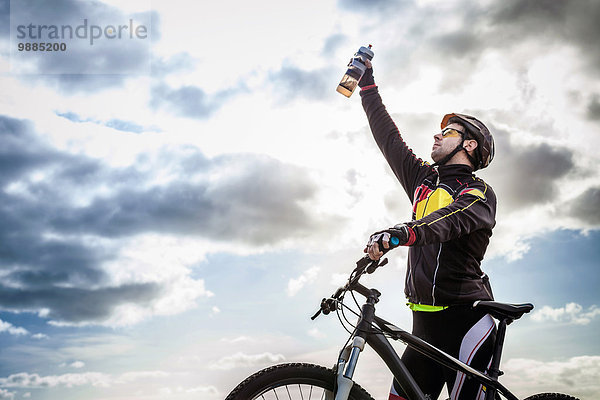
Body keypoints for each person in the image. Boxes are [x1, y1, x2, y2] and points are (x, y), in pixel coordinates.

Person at [359, 60, 497, 400]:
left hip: (467, 324)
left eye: (449, 132)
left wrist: (400, 234)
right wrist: (367, 87)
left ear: (469, 145)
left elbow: (446, 221)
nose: (437, 134)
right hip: (424, 327)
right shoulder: (424, 180)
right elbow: (389, 140)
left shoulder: (478, 193)